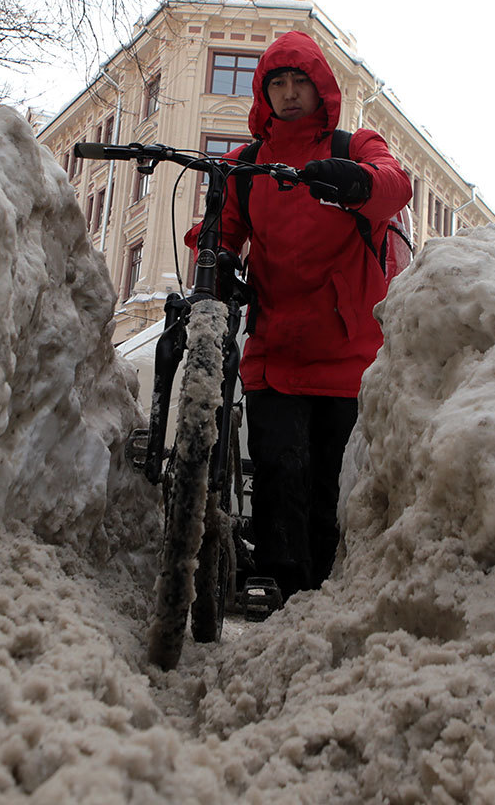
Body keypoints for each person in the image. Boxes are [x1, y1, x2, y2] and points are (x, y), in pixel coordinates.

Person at [186, 30, 411, 601]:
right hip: (276, 353)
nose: (288, 94)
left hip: (346, 352)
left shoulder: (351, 143)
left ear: (321, 88)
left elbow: (395, 186)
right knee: (280, 482)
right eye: (276, 83)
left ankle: (336, 601)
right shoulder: (249, 162)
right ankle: (291, 601)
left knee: (335, 494)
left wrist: (358, 181)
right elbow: (220, 230)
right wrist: (219, 258)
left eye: (299, 82)